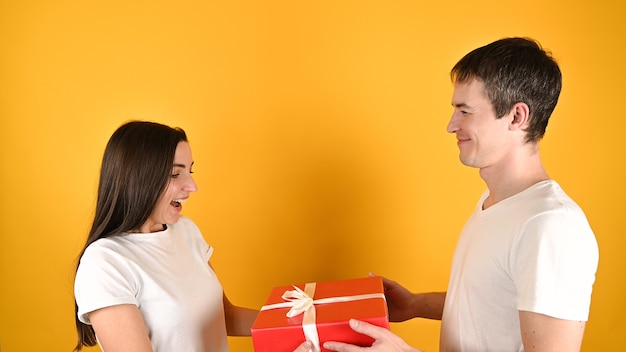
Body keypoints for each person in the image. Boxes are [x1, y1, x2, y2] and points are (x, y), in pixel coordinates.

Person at [294, 37, 599, 351]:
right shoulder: (495, 204)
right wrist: (414, 305)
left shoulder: (550, 226)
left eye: (465, 111)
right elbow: (492, 306)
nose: (451, 125)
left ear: (517, 117)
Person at [73, 121, 258, 351]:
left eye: (189, 172)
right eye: (174, 174)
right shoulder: (104, 263)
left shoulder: (187, 231)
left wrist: (303, 323)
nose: (192, 186)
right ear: (138, 178)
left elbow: (223, 317)